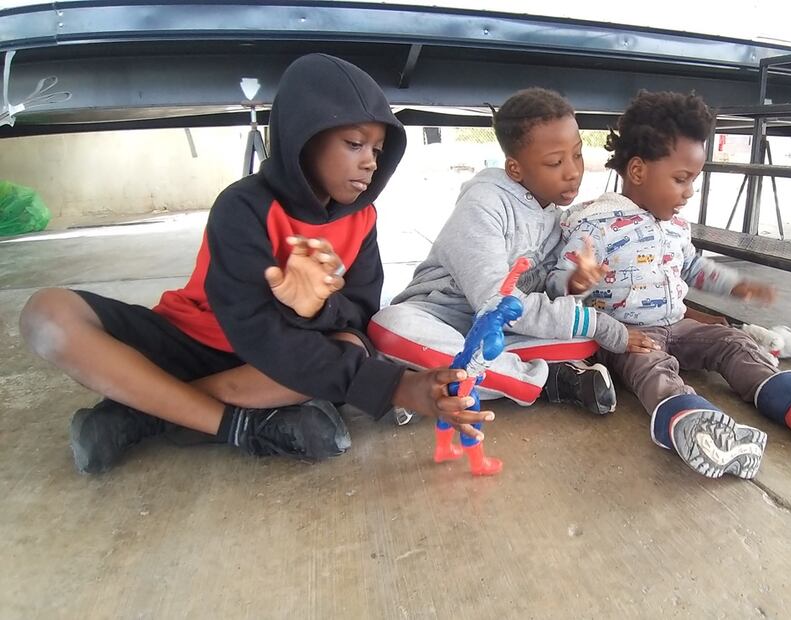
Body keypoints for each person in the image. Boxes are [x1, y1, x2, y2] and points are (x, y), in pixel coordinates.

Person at [19, 54, 487, 474]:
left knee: (352, 344)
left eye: (377, 151)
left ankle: (140, 411)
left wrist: (315, 310)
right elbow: (253, 328)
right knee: (47, 314)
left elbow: (360, 313)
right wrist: (397, 387)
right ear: (303, 135)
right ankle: (240, 428)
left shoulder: (362, 218)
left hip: (274, 367)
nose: (369, 162)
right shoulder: (242, 206)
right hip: (194, 341)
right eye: (353, 143)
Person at [550, 90, 791, 479]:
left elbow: (692, 267)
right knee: (653, 368)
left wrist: (735, 286)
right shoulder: (594, 223)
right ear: (637, 171)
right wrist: (577, 280)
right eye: (681, 179)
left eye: (694, 180)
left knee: (733, 342)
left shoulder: (676, 226)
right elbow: (557, 287)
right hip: (625, 335)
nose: (689, 192)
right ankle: (689, 418)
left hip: (678, 324)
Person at [368, 87, 654, 415]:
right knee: (387, 326)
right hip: (441, 321)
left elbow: (545, 292)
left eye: (576, 154)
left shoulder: (558, 220)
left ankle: (454, 378)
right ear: (515, 169)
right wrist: (598, 323)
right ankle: (542, 382)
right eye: (555, 162)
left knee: (585, 343)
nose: (573, 171)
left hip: (503, 335)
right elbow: (493, 304)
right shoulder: (484, 204)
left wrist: (573, 284)